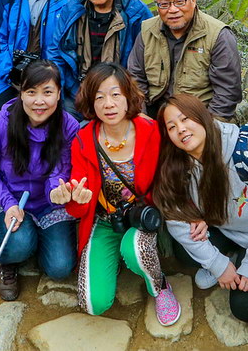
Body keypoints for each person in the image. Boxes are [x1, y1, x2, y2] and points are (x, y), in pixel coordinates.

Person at [155, 93, 248, 323]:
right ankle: (232, 256)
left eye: (186, 118)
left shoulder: (247, 156)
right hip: (227, 226)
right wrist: (218, 265)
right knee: (183, 251)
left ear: (202, 116)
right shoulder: (179, 163)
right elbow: (173, 214)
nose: (181, 129)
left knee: (246, 308)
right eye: (172, 126)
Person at [62, 63, 180, 326]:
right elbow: (79, 208)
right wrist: (74, 198)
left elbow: (168, 178)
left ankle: (159, 286)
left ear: (128, 97)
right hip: (104, 221)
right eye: (99, 96)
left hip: (140, 216)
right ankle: (112, 257)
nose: (108, 103)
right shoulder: (83, 139)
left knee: (136, 250)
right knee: (93, 303)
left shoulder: (151, 130)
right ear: (91, 103)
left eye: (116, 94)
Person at [0, 59, 80, 300]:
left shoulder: (69, 126)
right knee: (20, 245)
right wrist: (8, 203)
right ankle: (9, 261)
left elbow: (62, 169)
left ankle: (32, 238)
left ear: (58, 94)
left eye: (47, 92)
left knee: (59, 267)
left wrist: (56, 190)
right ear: (21, 93)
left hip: (48, 204)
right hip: (9, 200)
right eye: (31, 92)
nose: (39, 101)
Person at [44, 0, 151, 109]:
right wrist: (74, 91)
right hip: (78, 93)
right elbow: (56, 51)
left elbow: (145, 62)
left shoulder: (136, 12)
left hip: (121, 95)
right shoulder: (71, 10)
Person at [127, 0, 242, 120]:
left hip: (199, 120)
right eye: (164, 4)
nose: (173, 10)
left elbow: (227, 92)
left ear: (193, 0)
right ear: (157, 6)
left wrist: (207, 130)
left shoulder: (218, 35)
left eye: (179, 2)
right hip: (155, 117)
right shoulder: (147, 31)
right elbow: (135, 77)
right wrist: (141, 117)